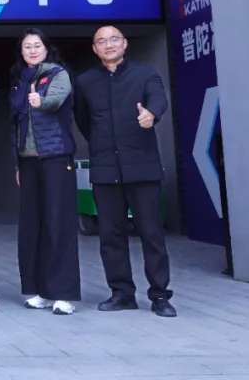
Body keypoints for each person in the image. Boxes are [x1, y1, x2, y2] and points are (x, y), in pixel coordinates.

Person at [74, 25, 176, 318]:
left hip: (142, 168)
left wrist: (151, 115)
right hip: (106, 169)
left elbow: (158, 99)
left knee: (151, 234)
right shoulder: (85, 82)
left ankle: (160, 295)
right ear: (94, 48)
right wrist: (101, 144)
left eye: (114, 39)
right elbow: (83, 120)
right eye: (101, 41)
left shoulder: (145, 73)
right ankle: (122, 293)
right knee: (111, 236)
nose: (108, 45)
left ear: (125, 44)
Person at [9, 29, 81, 316]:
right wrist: (17, 163)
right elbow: (16, 126)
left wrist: (42, 101)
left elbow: (55, 100)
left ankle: (64, 294)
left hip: (55, 159)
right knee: (33, 227)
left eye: (36, 45)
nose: (32, 50)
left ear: (46, 48)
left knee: (58, 224)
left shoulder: (58, 75)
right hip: (28, 162)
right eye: (27, 46)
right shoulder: (20, 81)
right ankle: (40, 290)